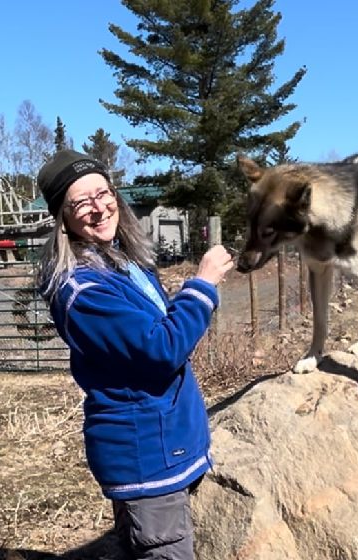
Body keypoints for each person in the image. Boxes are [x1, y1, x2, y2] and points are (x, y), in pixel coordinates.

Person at [37, 150, 233, 559]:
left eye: (103, 193)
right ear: (63, 219)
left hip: (163, 443)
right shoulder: (84, 292)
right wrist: (203, 283)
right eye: (80, 202)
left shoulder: (121, 263)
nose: (98, 208)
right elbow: (162, 349)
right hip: (147, 454)